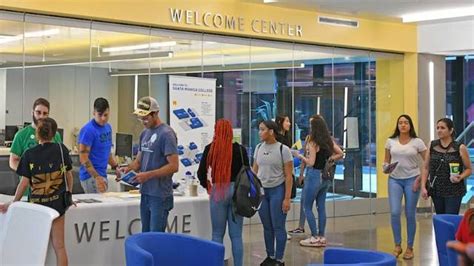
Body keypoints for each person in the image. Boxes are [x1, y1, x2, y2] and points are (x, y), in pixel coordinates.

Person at [0, 118, 74, 266]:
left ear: (37, 133)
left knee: (33, 247)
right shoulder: (61, 150)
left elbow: (24, 183)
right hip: (58, 204)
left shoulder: (29, 154)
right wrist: (69, 195)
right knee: (60, 247)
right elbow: (69, 176)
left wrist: (13, 203)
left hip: (37, 207)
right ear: (54, 134)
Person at [119, 96, 178, 232]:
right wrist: (126, 170)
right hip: (145, 193)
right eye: (141, 118)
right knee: (145, 235)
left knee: (155, 238)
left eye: (146, 118)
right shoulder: (144, 133)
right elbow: (139, 161)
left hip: (160, 195)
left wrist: (148, 175)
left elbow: (174, 166)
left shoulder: (167, 134)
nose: (143, 121)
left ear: (155, 113)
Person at [197, 119, 250, 266]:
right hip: (237, 193)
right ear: (230, 131)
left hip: (218, 190)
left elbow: (201, 172)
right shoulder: (240, 149)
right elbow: (248, 172)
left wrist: (207, 185)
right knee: (236, 235)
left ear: (216, 130)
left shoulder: (211, 148)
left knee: (217, 234)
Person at [383, 114, 427, 259]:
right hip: (394, 179)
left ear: (410, 125)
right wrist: (385, 167)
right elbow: (386, 161)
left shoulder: (417, 142)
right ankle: (397, 245)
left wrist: (421, 177)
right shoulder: (390, 141)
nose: (403, 125)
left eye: (406, 123)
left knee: (410, 214)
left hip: (412, 180)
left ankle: (410, 247)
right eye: (400, 122)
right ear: (397, 125)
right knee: (395, 212)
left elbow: (427, 162)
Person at [296, 115, 343, 248]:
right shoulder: (328, 141)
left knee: (307, 206)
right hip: (325, 177)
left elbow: (310, 162)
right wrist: (330, 160)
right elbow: (340, 153)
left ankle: (314, 236)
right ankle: (321, 236)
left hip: (314, 176)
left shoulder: (312, 142)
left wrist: (300, 156)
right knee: (321, 206)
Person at [253, 120, 293, 266]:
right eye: (259, 129)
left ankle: (279, 259)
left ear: (271, 131)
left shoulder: (283, 149)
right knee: (267, 226)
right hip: (263, 192)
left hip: (278, 191)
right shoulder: (258, 148)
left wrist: (287, 198)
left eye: (262, 129)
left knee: (278, 226)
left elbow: (289, 176)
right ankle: (270, 255)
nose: (259, 132)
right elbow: (254, 171)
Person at [421, 118, 472, 215]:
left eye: (443, 128)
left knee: (450, 218)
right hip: (436, 189)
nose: (439, 130)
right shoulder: (432, 145)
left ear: (451, 130)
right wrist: (423, 186)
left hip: (454, 189)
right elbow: (426, 167)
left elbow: (469, 169)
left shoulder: (460, 147)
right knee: (440, 218)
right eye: (437, 128)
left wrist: (460, 177)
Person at [78, 97, 120, 193]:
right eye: (100, 115)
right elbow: (83, 158)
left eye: (106, 115)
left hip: (102, 174)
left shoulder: (108, 128)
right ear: (94, 113)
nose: (103, 118)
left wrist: (116, 167)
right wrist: (96, 177)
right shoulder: (88, 130)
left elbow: (107, 152)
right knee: (98, 207)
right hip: (91, 177)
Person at [9, 98, 62, 171]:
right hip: (29, 181)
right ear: (32, 112)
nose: (41, 116)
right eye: (38, 112)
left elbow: (60, 158)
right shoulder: (21, 135)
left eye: (45, 113)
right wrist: (29, 172)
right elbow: (13, 161)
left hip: (52, 181)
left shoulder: (55, 134)